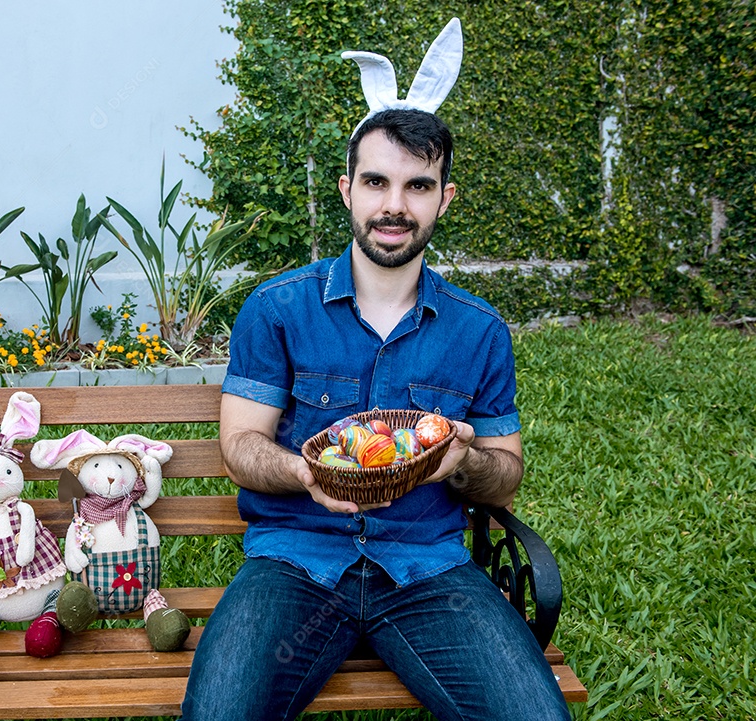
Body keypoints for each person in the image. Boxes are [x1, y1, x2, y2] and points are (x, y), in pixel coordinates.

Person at [180, 19, 571, 721]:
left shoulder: (479, 331)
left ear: (444, 198)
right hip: (294, 564)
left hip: (429, 569)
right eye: (377, 182)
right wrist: (306, 473)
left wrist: (461, 461)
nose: (395, 205)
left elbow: (506, 473)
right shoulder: (276, 309)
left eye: (418, 185)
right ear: (347, 190)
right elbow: (240, 448)